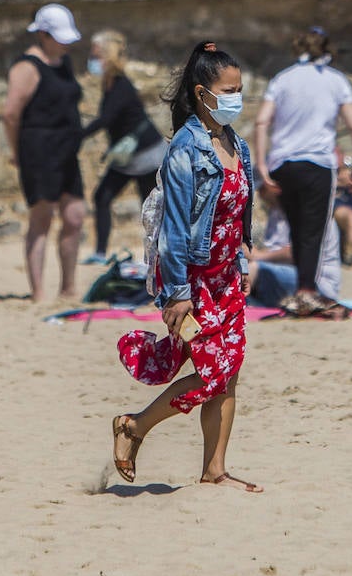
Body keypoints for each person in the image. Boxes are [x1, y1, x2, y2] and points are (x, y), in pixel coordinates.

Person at [110, 41, 262, 494]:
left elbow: (235, 215)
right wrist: (176, 293)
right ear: (202, 92)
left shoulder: (238, 144)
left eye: (240, 89)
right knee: (214, 371)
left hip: (227, 277)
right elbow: (175, 229)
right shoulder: (185, 149)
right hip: (192, 278)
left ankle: (215, 470)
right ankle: (134, 426)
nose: (236, 97)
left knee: (229, 372)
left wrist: (240, 260)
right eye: (229, 90)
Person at [254, 26, 352, 319]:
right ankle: (306, 290)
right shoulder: (336, 81)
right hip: (318, 162)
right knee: (313, 231)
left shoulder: (282, 79)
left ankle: (304, 290)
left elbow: (262, 121)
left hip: (283, 163)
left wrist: (263, 165)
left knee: (297, 227)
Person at [0, 3, 87, 302]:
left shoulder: (63, 64)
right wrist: (17, 152)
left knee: (75, 216)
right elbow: (11, 114)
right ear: (43, 35)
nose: (65, 43)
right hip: (39, 152)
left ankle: (68, 288)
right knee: (42, 218)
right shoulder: (26, 66)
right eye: (59, 37)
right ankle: (38, 291)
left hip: (66, 153)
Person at [80, 30, 166, 265]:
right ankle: (100, 253)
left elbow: (106, 119)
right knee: (102, 197)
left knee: (150, 207)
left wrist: (77, 136)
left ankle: (156, 256)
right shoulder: (109, 84)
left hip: (147, 155)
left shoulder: (120, 85)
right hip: (128, 156)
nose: (92, 59)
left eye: (96, 54)